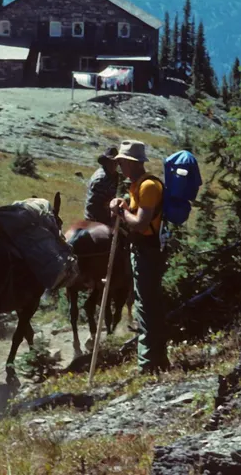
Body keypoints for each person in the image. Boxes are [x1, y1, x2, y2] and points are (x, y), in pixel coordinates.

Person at [109, 139, 169, 374]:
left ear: (130, 163)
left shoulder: (148, 187)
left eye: (122, 163)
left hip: (148, 251)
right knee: (148, 304)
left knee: (146, 306)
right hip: (143, 250)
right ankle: (157, 360)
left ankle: (148, 365)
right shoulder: (137, 185)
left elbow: (141, 222)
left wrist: (123, 211)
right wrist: (123, 204)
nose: (120, 167)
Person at [83, 146, 120, 225]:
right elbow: (94, 206)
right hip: (95, 219)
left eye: (115, 162)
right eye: (110, 162)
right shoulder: (100, 179)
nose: (113, 164)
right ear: (105, 162)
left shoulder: (114, 176)